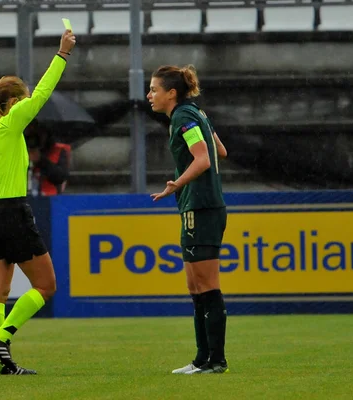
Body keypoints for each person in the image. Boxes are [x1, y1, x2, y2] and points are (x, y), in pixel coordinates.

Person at [0, 29, 76, 376]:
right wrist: (62, 54)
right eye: (24, 99)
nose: (29, 102)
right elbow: (43, 93)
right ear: (15, 103)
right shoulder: (11, 123)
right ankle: (2, 336)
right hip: (12, 212)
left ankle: (1, 363)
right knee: (46, 286)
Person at [148, 64, 229, 374]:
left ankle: (216, 361)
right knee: (195, 286)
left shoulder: (183, 116)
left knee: (207, 285)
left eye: (154, 89)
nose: (149, 95)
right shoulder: (196, 113)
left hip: (201, 207)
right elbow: (220, 150)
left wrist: (177, 184)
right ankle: (201, 359)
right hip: (198, 206)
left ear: (171, 93)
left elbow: (205, 159)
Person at [24, 122, 71, 196]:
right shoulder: (22, 149)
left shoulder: (58, 150)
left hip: (50, 198)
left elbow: (60, 177)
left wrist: (40, 160)